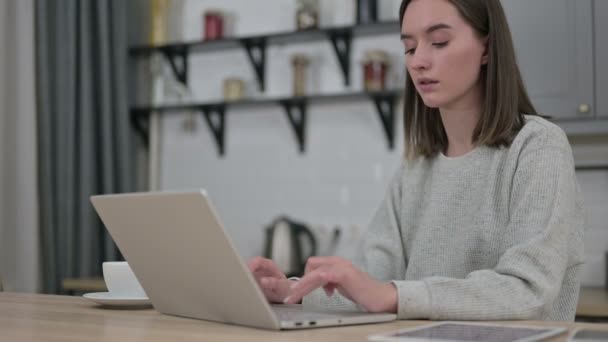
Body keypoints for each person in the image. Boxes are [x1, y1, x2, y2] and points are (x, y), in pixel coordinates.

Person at [248, 0, 584, 321]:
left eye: (439, 42)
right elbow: (370, 285)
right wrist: (293, 291)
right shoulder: (417, 169)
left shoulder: (538, 147)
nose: (418, 61)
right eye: (409, 47)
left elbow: (528, 289)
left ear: (487, 48)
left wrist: (395, 296)